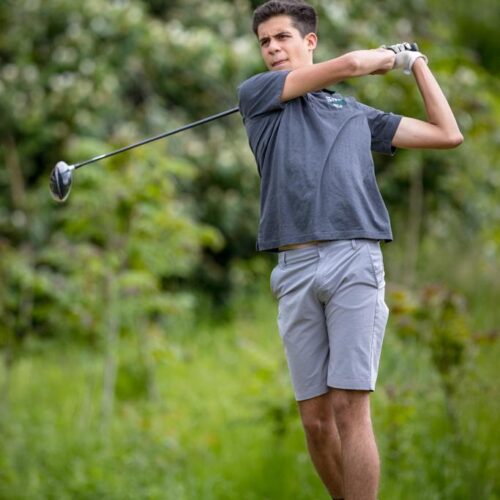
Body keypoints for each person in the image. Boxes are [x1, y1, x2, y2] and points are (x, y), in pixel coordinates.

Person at [237, 1, 463, 499]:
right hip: (293, 267)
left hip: (354, 260)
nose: (272, 48)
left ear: (309, 41)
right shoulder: (258, 95)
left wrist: (418, 65)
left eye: (282, 38)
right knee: (316, 423)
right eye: (264, 41)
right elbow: (352, 65)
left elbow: (448, 134)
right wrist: (390, 56)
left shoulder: (355, 114)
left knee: (349, 408)